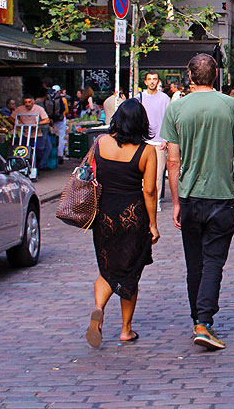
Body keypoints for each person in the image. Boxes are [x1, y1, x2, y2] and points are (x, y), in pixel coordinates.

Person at [160, 53, 234, 351]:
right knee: (214, 260)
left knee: (194, 262)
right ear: (216, 77)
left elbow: (172, 161)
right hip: (222, 196)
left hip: (189, 196)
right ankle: (204, 321)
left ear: (189, 76)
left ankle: (197, 320)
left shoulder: (177, 109)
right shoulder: (232, 106)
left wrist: (175, 201)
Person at [86, 99, 160, 348]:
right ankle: (126, 330)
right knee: (129, 273)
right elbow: (149, 191)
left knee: (106, 268)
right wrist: (153, 225)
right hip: (132, 216)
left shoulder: (100, 143)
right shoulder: (146, 151)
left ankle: (98, 308)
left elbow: (87, 172)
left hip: (104, 215)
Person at [138, 71, 171, 211]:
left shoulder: (164, 99)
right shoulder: (139, 98)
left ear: (158, 82)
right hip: (143, 141)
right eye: (149, 79)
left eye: (155, 79)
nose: (152, 82)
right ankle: (143, 198)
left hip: (159, 142)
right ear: (145, 82)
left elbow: (168, 119)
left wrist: (166, 139)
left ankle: (155, 200)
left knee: (158, 174)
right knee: (141, 174)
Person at [14, 94, 51, 170]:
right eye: (26, 102)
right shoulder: (19, 109)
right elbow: (11, 118)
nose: (27, 104)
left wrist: (36, 124)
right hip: (25, 134)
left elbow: (47, 120)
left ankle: (36, 166)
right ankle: (25, 167)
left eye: (29, 102)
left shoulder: (39, 109)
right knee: (24, 151)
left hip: (36, 134)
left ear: (33, 101)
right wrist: (20, 123)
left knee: (39, 150)